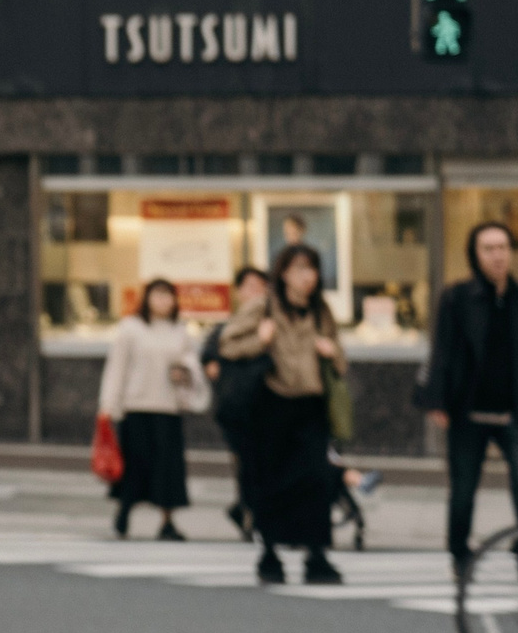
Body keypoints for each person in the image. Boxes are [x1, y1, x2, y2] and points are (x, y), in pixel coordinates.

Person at [415, 221, 518, 581]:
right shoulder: (457, 297)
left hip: (514, 411)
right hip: (468, 410)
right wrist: (438, 401)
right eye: (489, 248)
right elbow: (442, 351)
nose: (498, 255)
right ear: (475, 254)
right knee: (464, 489)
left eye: (503, 247)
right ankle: (460, 554)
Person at [219, 241, 346, 585]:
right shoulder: (263, 307)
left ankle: (316, 555)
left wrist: (332, 352)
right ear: (283, 274)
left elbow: (340, 361)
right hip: (272, 405)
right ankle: (270, 553)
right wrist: (260, 340)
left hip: (311, 406)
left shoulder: (321, 311)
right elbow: (227, 344)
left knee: (317, 480)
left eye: (311, 268)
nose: (306, 276)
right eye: (297, 269)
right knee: (272, 480)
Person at [100, 277, 207, 540]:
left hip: (168, 408)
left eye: (167, 295)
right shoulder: (130, 328)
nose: (162, 301)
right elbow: (117, 368)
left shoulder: (180, 332)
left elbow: (191, 365)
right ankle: (125, 511)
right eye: (157, 295)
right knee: (135, 464)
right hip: (136, 407)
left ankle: (167, 521)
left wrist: (184, 374)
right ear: (146, 298)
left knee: (168, 468)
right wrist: (108, 406)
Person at [204, 266, 275, 539]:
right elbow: (212, 361)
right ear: (239, 290)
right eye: (252, 286)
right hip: (237, 408)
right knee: (245, 463)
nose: (258, 292)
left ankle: (247, 510)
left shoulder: (271, 320)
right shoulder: (225, 329)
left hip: (266, 405)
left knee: (261, 463)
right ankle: (248, 512)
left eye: (262, 286)